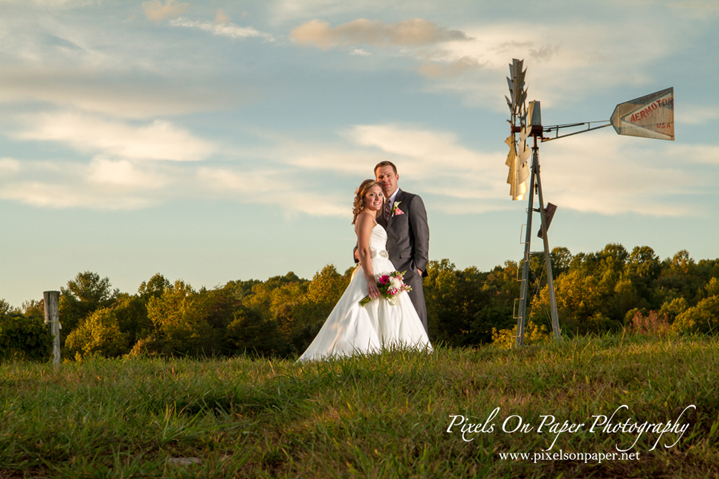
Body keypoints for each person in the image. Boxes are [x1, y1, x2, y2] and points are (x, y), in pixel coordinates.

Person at [297, 180, 431, 362]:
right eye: (372, 194)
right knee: (363, 309)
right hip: (373, 267)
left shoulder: (371, 217)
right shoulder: (365, 217)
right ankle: (358, 348)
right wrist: (369, 278)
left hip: (384, 266)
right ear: (363, 197)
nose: (377, 198)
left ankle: (393, 348)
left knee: (388, 309)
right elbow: (363, 250)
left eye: (379, 194)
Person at [374, 161, 430, 333]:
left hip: (408, 271)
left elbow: (422, 235)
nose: (385, 180)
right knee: (391, 321)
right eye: (380, 177)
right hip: (382, 273)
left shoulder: (412, 200)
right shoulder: (375, 206)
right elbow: (369, 233)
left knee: (415, 317)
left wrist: (418, 267)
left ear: (396, 177)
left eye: (388, 175)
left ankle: (424, 354)